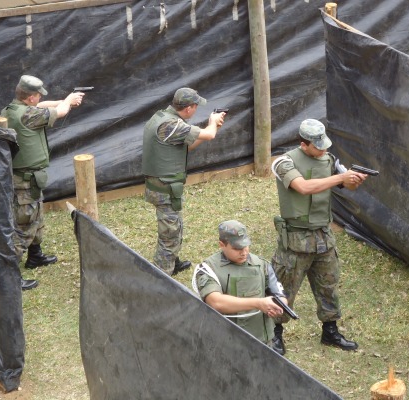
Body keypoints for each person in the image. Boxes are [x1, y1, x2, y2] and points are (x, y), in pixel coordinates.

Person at [271, 119, 367, 351]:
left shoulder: (329, 160)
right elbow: (303, 187)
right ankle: (274, 332)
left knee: (328, 285)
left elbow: (348, 186)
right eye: (318, 146)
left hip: (323, 237)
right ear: (304, 145)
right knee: (284, 288)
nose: (323, 149)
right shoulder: (284, 162)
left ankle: (330, 331)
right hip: (296, 238)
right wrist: (340, 179)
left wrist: (354, 180)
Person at [1, 75, 85, 291]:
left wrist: (65, 99)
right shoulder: (29, 115)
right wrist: (67, 103)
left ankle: (35, 256)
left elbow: (44, 106)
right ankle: (9, 275)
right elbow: (61, 112)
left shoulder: (13, 109)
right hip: (25, 179)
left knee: (36, 216)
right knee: (25, 225)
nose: (40, 98)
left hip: (29, 178)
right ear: (29, 98)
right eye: (37, 95)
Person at [142, 87, 225, 276]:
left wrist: (212, 128)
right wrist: (212, 123)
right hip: (164, 189)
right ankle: (162, 273)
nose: (195, 111)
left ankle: (172, 260)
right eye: (195, 107)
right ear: (188, 109)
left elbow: (185, 147)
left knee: (174, 225)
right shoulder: (171, 125)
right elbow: (209, 135)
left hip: (163, 186)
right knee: (170, 233)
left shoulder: (163, 118)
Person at [193, 220, 288, 355]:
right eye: (237, 248)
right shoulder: (208, 269)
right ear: (222, 245)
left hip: (262, 341)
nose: (244, 252)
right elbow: (215, 302)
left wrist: (279, 306)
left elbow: (280, 295)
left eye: (246, 246)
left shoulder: (262, 265)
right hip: (225, 344)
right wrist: (258, 303)